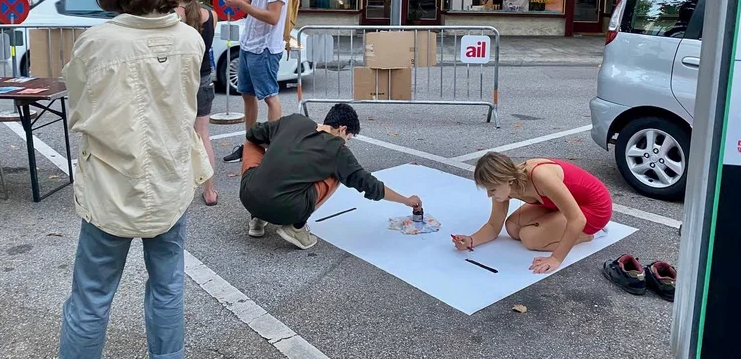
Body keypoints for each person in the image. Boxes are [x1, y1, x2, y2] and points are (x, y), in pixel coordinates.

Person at [58, 0, 213, 359]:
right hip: (170, 180)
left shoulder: (97, 42)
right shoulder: (190, 39)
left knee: (91, 297)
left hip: (111, 185)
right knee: (167, 286)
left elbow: (79, 109)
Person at [239, 103, 423, 249]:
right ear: (342, 129)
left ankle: (257, 218)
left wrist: (279, 146)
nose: (346, 143)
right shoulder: (337, 150)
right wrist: (406, 200)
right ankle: (296, 228)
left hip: (249, 197)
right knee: (337, 173)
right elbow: (370, 185)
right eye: (348, 138)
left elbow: (254, 132)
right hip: (287, 210)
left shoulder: (294, 121)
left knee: (251, 142)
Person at [452, 152, 612, 274]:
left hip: (594, 208)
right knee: (513, 227)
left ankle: (592, 234)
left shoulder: (541, 176)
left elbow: (576, 219)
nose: (489, 195)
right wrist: (471, 240)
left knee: (530, 238)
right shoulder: (504, 184)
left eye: (492, 190)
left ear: (508, 180)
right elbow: (494, 225)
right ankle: (557, 225)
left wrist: (556, 258)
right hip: (560, 204)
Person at [220, 0, 290, 163]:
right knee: (247, 95)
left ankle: (273, 149)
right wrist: (242, 2)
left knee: (270, 97)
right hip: (249, 44)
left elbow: (272, 16)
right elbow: (257, 4)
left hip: (266, 47)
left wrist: (241, 3)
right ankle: (251, 145)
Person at [176, 0, 219, 206]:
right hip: (203, 78)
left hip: (179, 81)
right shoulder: (210, 15)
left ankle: (179, 189)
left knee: (176, 133)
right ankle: (210, 190)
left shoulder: (173, 14)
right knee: (203, 135)